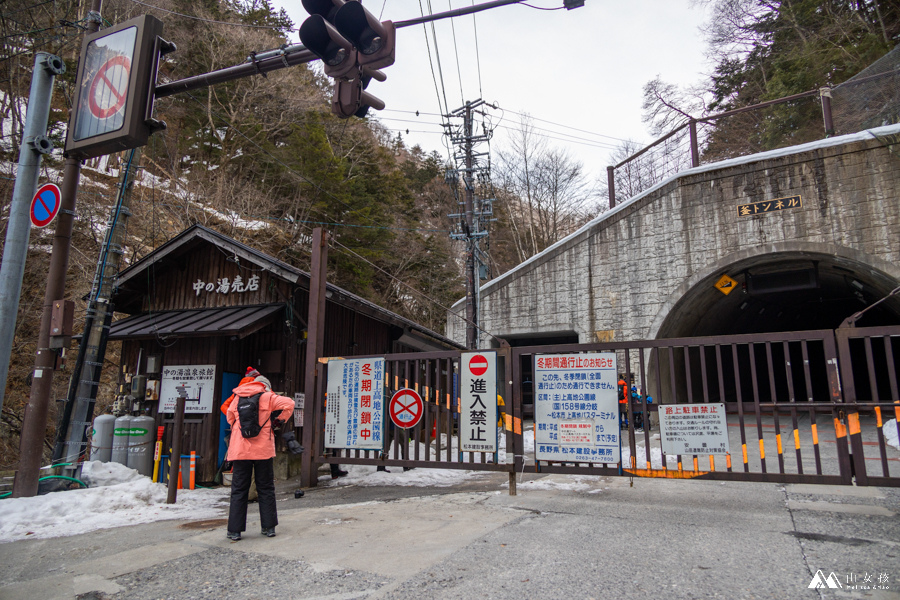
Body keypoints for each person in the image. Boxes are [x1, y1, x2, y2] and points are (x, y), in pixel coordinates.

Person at [225, 374, 294, 541]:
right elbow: (289, 403)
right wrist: (278, 421)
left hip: (241, 450)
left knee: (239, 489)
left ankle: (234, 531)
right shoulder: (268, 397)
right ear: (265, 386)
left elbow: (230, 417)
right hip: (263, 449)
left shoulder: (237, 397)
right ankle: (268, 527)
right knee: (266, 487)